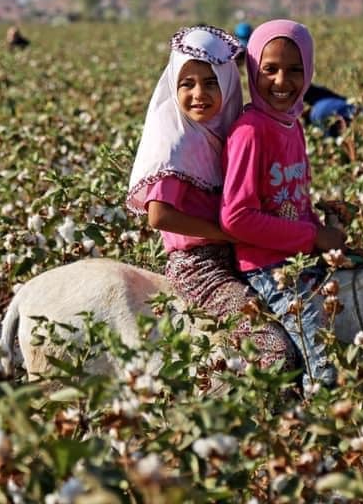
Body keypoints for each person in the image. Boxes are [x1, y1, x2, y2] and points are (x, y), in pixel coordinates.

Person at [127, 25, 299, 376]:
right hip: (198, 267)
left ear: (228, 83)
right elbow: (159, 216)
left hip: (236, 255)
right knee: (274, 348)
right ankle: (261, 410)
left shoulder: (225, 131)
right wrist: (228, 233)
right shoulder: (175, 140)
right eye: (187, 84)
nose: (198, 94)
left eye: (210, 83)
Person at [220, 19, 347, 392]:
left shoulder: (292, 124)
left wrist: (324, 233)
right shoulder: (250, 131)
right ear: (252, 70)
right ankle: (315, 420)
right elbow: (236, 218)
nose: (281, 81)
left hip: (296, 258)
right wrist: (312, 237)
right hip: (266, 267)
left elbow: (294, 202)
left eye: (294, 70)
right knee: (324, 364)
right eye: (270, 69)